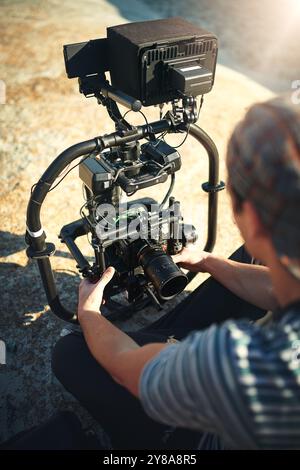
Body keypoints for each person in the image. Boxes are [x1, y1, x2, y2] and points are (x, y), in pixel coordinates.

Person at [52, 95, 300, 449]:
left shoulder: (236, 358)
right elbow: (280, 287)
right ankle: (163, 335)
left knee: (71, 351)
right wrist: (203, 260)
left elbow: (126, 370)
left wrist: (89, 313)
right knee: (253, 258)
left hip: (201, 435)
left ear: (253, 216)